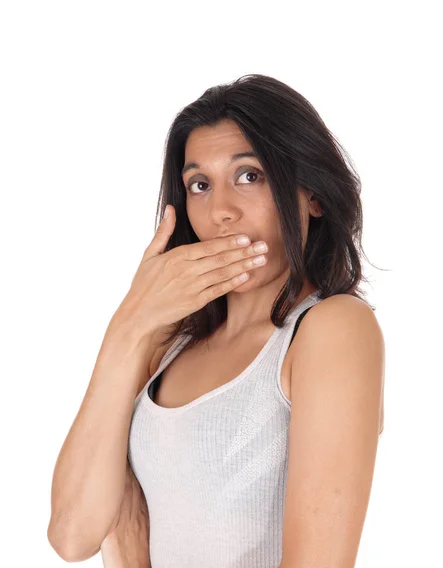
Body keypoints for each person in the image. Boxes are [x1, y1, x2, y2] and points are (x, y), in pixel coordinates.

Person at [48, 74, 385, 568]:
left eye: (250, 176)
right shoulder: (167, 346)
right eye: (199, 185)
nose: (221, 211)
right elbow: (72, 536)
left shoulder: (331, 329)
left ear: (312, 193)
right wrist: (128, 325)